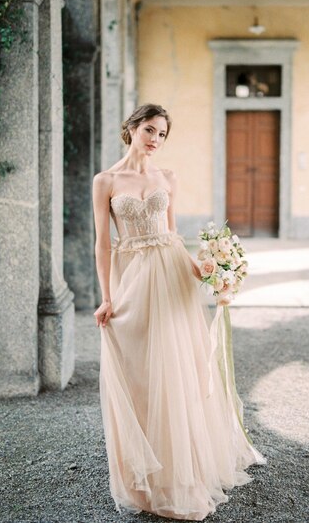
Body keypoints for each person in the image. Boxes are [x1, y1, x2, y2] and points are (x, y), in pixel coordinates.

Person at [92, 104, 265, 520]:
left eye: (163, 134)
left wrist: (209, 274)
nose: (155, 139)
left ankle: (180, 474)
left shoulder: (167, 177)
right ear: (131, 128)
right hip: (131, 279)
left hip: (171, 277)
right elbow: (102, 243)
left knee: (176, 371)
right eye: (149, 129)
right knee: (139, 373)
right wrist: (106, 296)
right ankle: (144, 479)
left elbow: (172, 235)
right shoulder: (106, 181)